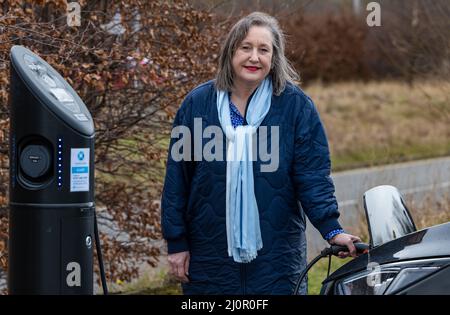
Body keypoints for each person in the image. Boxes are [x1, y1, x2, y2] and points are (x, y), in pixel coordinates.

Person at [161, 12, 362, 295]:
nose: (254, 57)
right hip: (209, 260)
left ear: (274, 58)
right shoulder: (196, 105)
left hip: (277, 260)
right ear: (231, 52)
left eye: (263, 50)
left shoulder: (296, 107)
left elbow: (312, 177)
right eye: (246, 47)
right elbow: (176, 181)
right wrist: (177, 243)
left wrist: (332, 230)